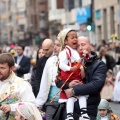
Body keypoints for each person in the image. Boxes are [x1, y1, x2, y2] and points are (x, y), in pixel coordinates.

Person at [56, 36, 107, 120]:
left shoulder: (98, 64)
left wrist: (73, 91)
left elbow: (96, 84)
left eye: (83, 45)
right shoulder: (68, 62)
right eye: (77, 46)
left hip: (88, 109)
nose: (80, 48)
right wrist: (68, 85)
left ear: (90, 45)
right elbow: (58, 81)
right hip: (70, 110)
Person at [56, 28, 89, 120]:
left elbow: (79, 63)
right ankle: (69, 115)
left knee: (81, 94)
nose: (75, 39)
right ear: (65, 41)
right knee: (70, 97)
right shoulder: (65, 52)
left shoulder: (76, 52)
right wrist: (71, 68)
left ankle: (84, 113)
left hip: (77, 76)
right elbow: (61, 66)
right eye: (72, 38)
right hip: (69, 76)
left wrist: (82, 69)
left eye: (76, 37)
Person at [0, 53, 35, 120]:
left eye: (2, 68)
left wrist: (12, 107)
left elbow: (32, 106)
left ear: (11, 68)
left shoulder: (22, 84)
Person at [36, 39, 62, 120]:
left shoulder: (72, 60)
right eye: (55, 44)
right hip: (51, 101)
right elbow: (43, 83)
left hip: (67, 101)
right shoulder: (50, 61)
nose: (55, 47)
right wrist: (39, 103)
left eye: (58, 45)